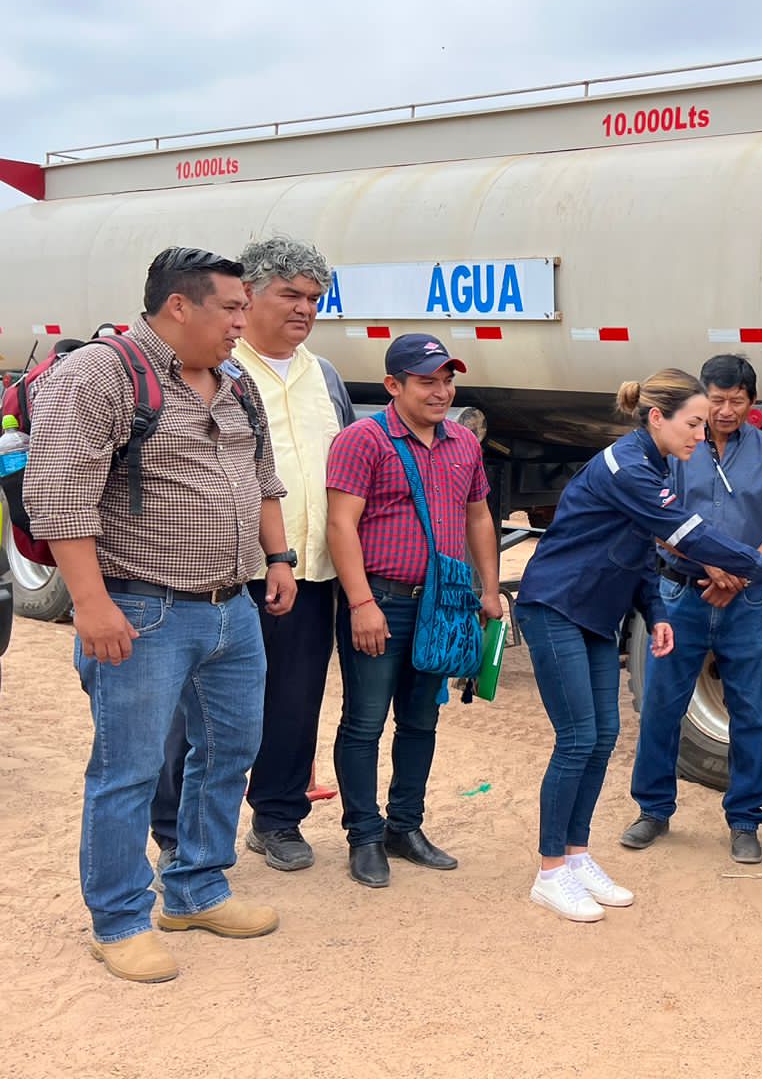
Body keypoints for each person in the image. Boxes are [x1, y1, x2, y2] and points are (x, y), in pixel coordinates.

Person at [25, 247, 294, 983]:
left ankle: (198, 889)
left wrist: (278, 559)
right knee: (129, 770)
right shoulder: (100, 376)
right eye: (233, 308)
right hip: (140, 608)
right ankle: (118, 922)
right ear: (180, 306)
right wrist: (91, 605)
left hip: (231, 608)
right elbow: (58, 498)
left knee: (229, 753)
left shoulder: (236, 381)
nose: (246, 321)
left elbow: (261, 477)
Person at [515, 369, 762, 922]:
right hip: (557, 606)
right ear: (657, 418)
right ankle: (550, 872)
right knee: (577, 740)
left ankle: (576, 856)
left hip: (596, 612)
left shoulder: (656, 460)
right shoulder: (629, 467)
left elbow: (640, 547)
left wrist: (655, 611)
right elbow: (687, 533)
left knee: (602, 736)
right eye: (693, 421)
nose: (701, 430)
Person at [150, 235, 354, 881]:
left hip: (310, 572)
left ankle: (278, 818)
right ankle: (174, 830)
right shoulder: (222, 370)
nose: (304, 309)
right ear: (248, 298)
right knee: (201, 709)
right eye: (289, 294)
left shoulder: (325, 377)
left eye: (314, 298)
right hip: (232, 575)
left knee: (295, 699)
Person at [325, 333, 500, 889]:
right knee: (365, 722)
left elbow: (479, 517)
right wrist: (361, 604)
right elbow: (340, 525)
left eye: (448, 380)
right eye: (427, 381)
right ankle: (364, 836)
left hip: (442, 605)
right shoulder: (362, 440)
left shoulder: (463, 443)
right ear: (393, 385)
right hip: (383, 601)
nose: (441, 391)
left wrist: (490, 591)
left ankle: (405, 827)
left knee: (422, 720)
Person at [621, 355, 762, 864]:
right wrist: (710, 564)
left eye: (736, 400)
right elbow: (660, 521)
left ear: (752, 400)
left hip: (744, 599)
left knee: (750, 710)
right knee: (662, 705)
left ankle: (745, 820)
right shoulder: (679, 446)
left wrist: (739, 574)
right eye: (716, 400)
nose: (725, 411)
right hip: (682, 595)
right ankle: (653, 810)